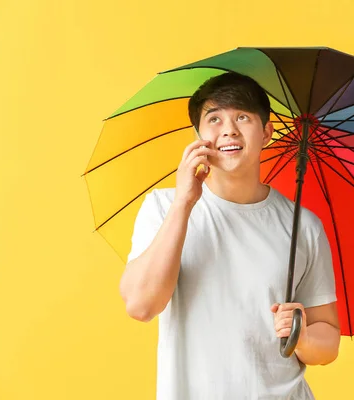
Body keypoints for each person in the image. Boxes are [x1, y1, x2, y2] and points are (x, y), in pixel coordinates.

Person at [119, 71, 340, 399]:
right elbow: (140, 305)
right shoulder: (164, 206)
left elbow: (329, 339)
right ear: (198, 134)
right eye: (215, 118)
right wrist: (184, 202)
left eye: (242, 117)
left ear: (267, 132)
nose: (229, 130)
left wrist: (302, 336)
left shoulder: (302, 225)